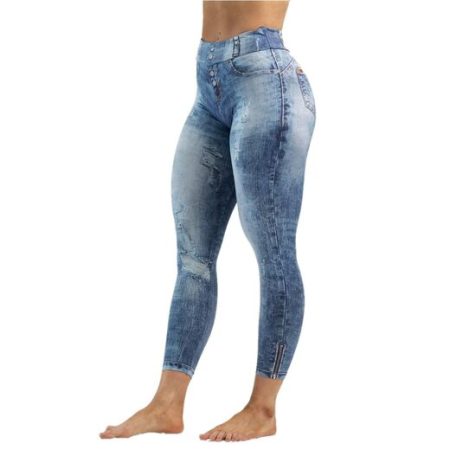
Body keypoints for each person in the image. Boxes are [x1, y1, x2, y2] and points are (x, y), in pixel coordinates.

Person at [99, 0, 316, 442]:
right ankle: (167, 404)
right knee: (193, 259)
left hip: (265, 76)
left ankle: (262, 410)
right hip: (209, 83)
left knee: (274, 252)